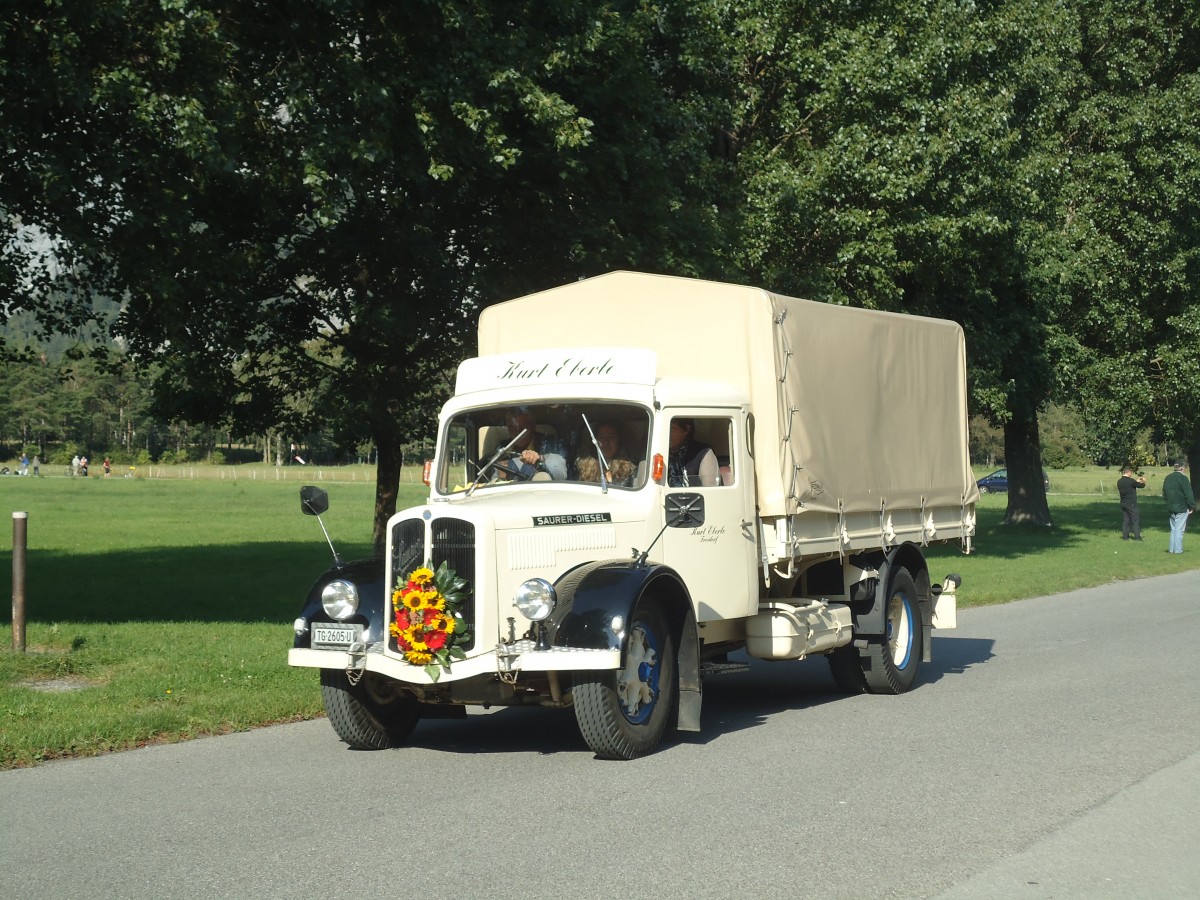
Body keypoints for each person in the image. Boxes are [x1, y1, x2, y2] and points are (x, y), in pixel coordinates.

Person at [486, 407, 568, 480]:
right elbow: (492, 480)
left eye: (521, 427)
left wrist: (539, 461)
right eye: (512, 427)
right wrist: (501, 476)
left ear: (532, 426)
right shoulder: (503, 449)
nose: (517, 432)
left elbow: (559, 475)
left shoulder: (549, 445)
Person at [577, 421, 637, 487]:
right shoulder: (584, 469)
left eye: (611, 437)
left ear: (619, 441)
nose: (605, 442)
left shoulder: (630, 471)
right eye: (601, 437)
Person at [667, 418, 719, 487]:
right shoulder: (656, 450)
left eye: (672, 428)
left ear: (687, 429)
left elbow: (711, 488)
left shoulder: (702, 452)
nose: (667, 432)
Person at [1162, 459, 1196, 554]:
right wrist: (1191, 505)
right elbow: (1188, 493)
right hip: (1182, 507)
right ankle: (1177, 550)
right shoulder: (1183, 478)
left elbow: (1164, 493)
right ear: (1182, 468)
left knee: (1173, 529)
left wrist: (1168, 502)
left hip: (1171, 506)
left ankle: (1171, 549)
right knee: (1179, 529)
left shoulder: (1168, 477)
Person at [1116, 466, 1146, 540]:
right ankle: (1137, 537)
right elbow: (1140, 486)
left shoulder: (1119, 481)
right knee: (1135, 520)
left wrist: (1136, 481)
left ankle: (1125, 537)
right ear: (1129, 472)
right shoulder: (1130, 481)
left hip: (1123, 503)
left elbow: (1132, 484)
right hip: (1131, 503)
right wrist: (1144, 481)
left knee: (1126, 520)